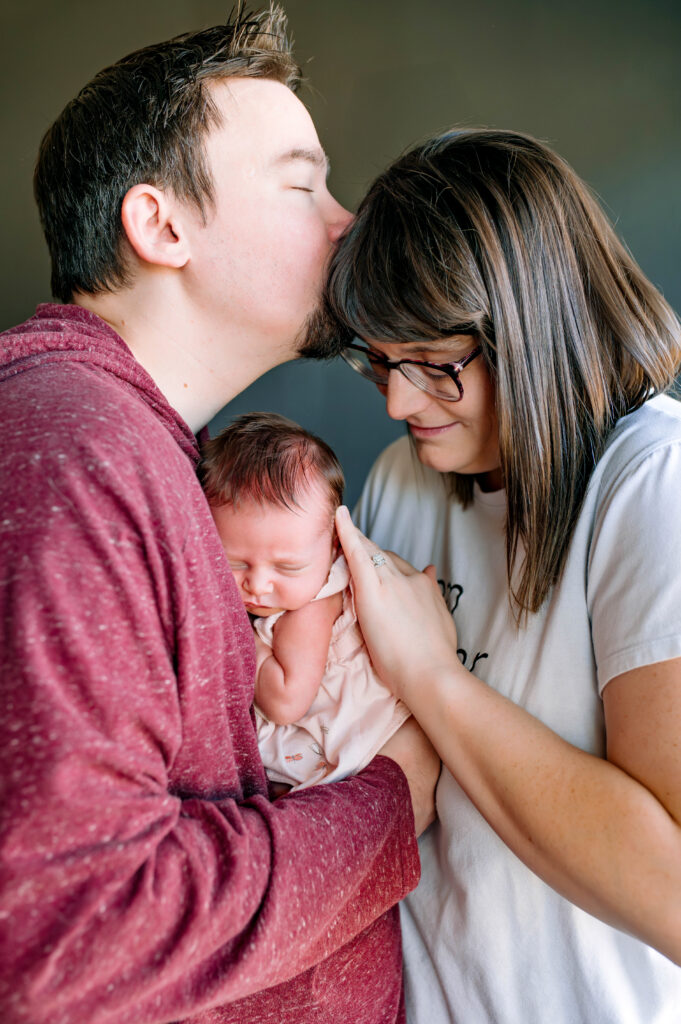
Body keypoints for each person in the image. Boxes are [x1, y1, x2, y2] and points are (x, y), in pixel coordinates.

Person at [0, 8, 440, 1023]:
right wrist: (394, 798)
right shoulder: (72, 453)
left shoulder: (138, 448)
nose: (344, 220)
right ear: (161, 226)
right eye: (301, 184)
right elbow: (75, 928)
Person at [324, 128, 681, 1022]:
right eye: (379, 364)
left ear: (535, 321)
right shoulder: (407, 476)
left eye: (437, 367)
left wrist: (434, 679)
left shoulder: (651, 487)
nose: (401, 404)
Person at [199, 412, 410, 790]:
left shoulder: (312, 606)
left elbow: (284, 700)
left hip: (352, 752)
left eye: (287, 567)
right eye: (235, 562)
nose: (259, 584)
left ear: (333, 547)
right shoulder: (298, 581)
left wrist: (236, 630)